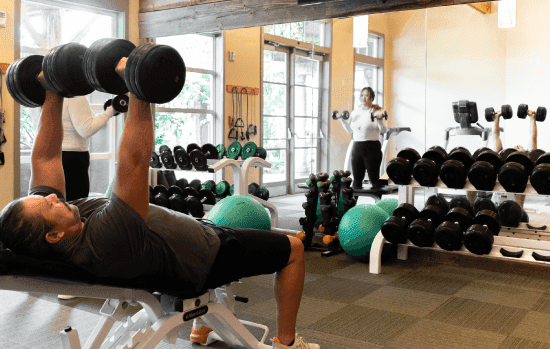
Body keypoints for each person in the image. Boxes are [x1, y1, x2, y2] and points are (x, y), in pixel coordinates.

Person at [0, 62, 320, 349]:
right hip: (205, 257)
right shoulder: (104, 239)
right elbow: (135, 161)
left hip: (189, 241)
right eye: (48, 205)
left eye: (46, 197)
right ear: (53, 235)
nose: (53, 198)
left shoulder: (54, 227)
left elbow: (45, 157)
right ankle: (287, 344)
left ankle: (201, 330)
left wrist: (52, 92)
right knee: (292, 249)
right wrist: (140, 84)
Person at [60, 95, 117, 201]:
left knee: (60, 204)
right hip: (73, 158)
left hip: (55, 154)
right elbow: (86, 130)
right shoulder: (75, 96)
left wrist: (106, 113)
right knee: (77, 205)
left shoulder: (51, 94)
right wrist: (111, 110)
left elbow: (87, 122)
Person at [339, 87, 387, 190]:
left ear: (371, 98)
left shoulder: (377, 110)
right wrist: (342, 121)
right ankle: (353, 205)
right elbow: (350, 131)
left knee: (374, 180)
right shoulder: (355, 112)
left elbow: (383, 130)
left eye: (366, 95)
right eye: (362, 95)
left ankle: (377, 205)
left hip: (372, 148)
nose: (363, 98)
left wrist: (379, 121)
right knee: (356, 179)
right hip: (357, 147)